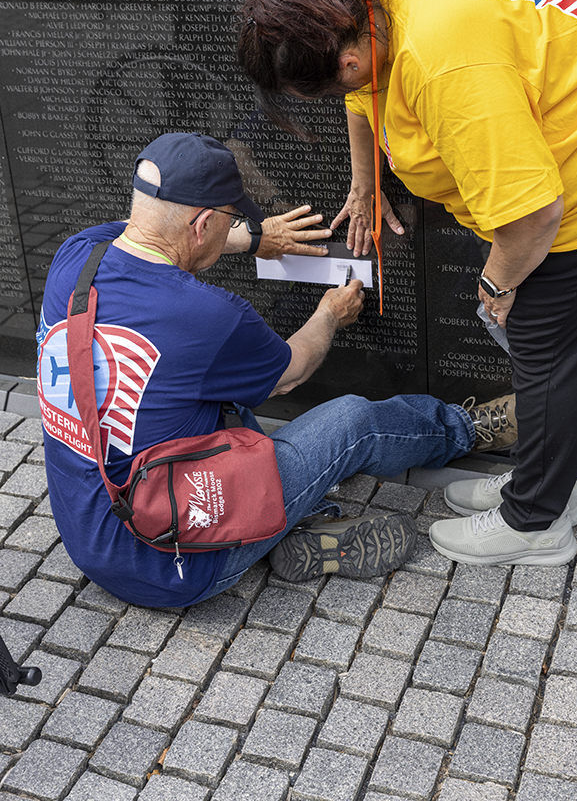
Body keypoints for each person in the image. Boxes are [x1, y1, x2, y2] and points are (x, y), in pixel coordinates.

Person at [237, 0, 577, 567]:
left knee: (546, 345)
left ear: (350, 59)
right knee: (544, 346)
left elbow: (532, 215)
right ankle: (545, 480)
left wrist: (497, 285)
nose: (338, 96)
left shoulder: (446, 66)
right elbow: (362, 94)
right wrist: (364, 182)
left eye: (323, 90)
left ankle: (535, 520)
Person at [37, 131, 511, 607]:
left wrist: (252, 239)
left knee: (222, 401)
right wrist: (331, 314)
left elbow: (151, 227)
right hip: (181, 565)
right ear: (203, 224)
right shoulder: (206, 315)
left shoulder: (76, 256)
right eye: (232, 219)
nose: (236, 227)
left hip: (92, 540)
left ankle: (301, 522)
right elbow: (291, 372)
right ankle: (463, 429)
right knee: (353, 422)